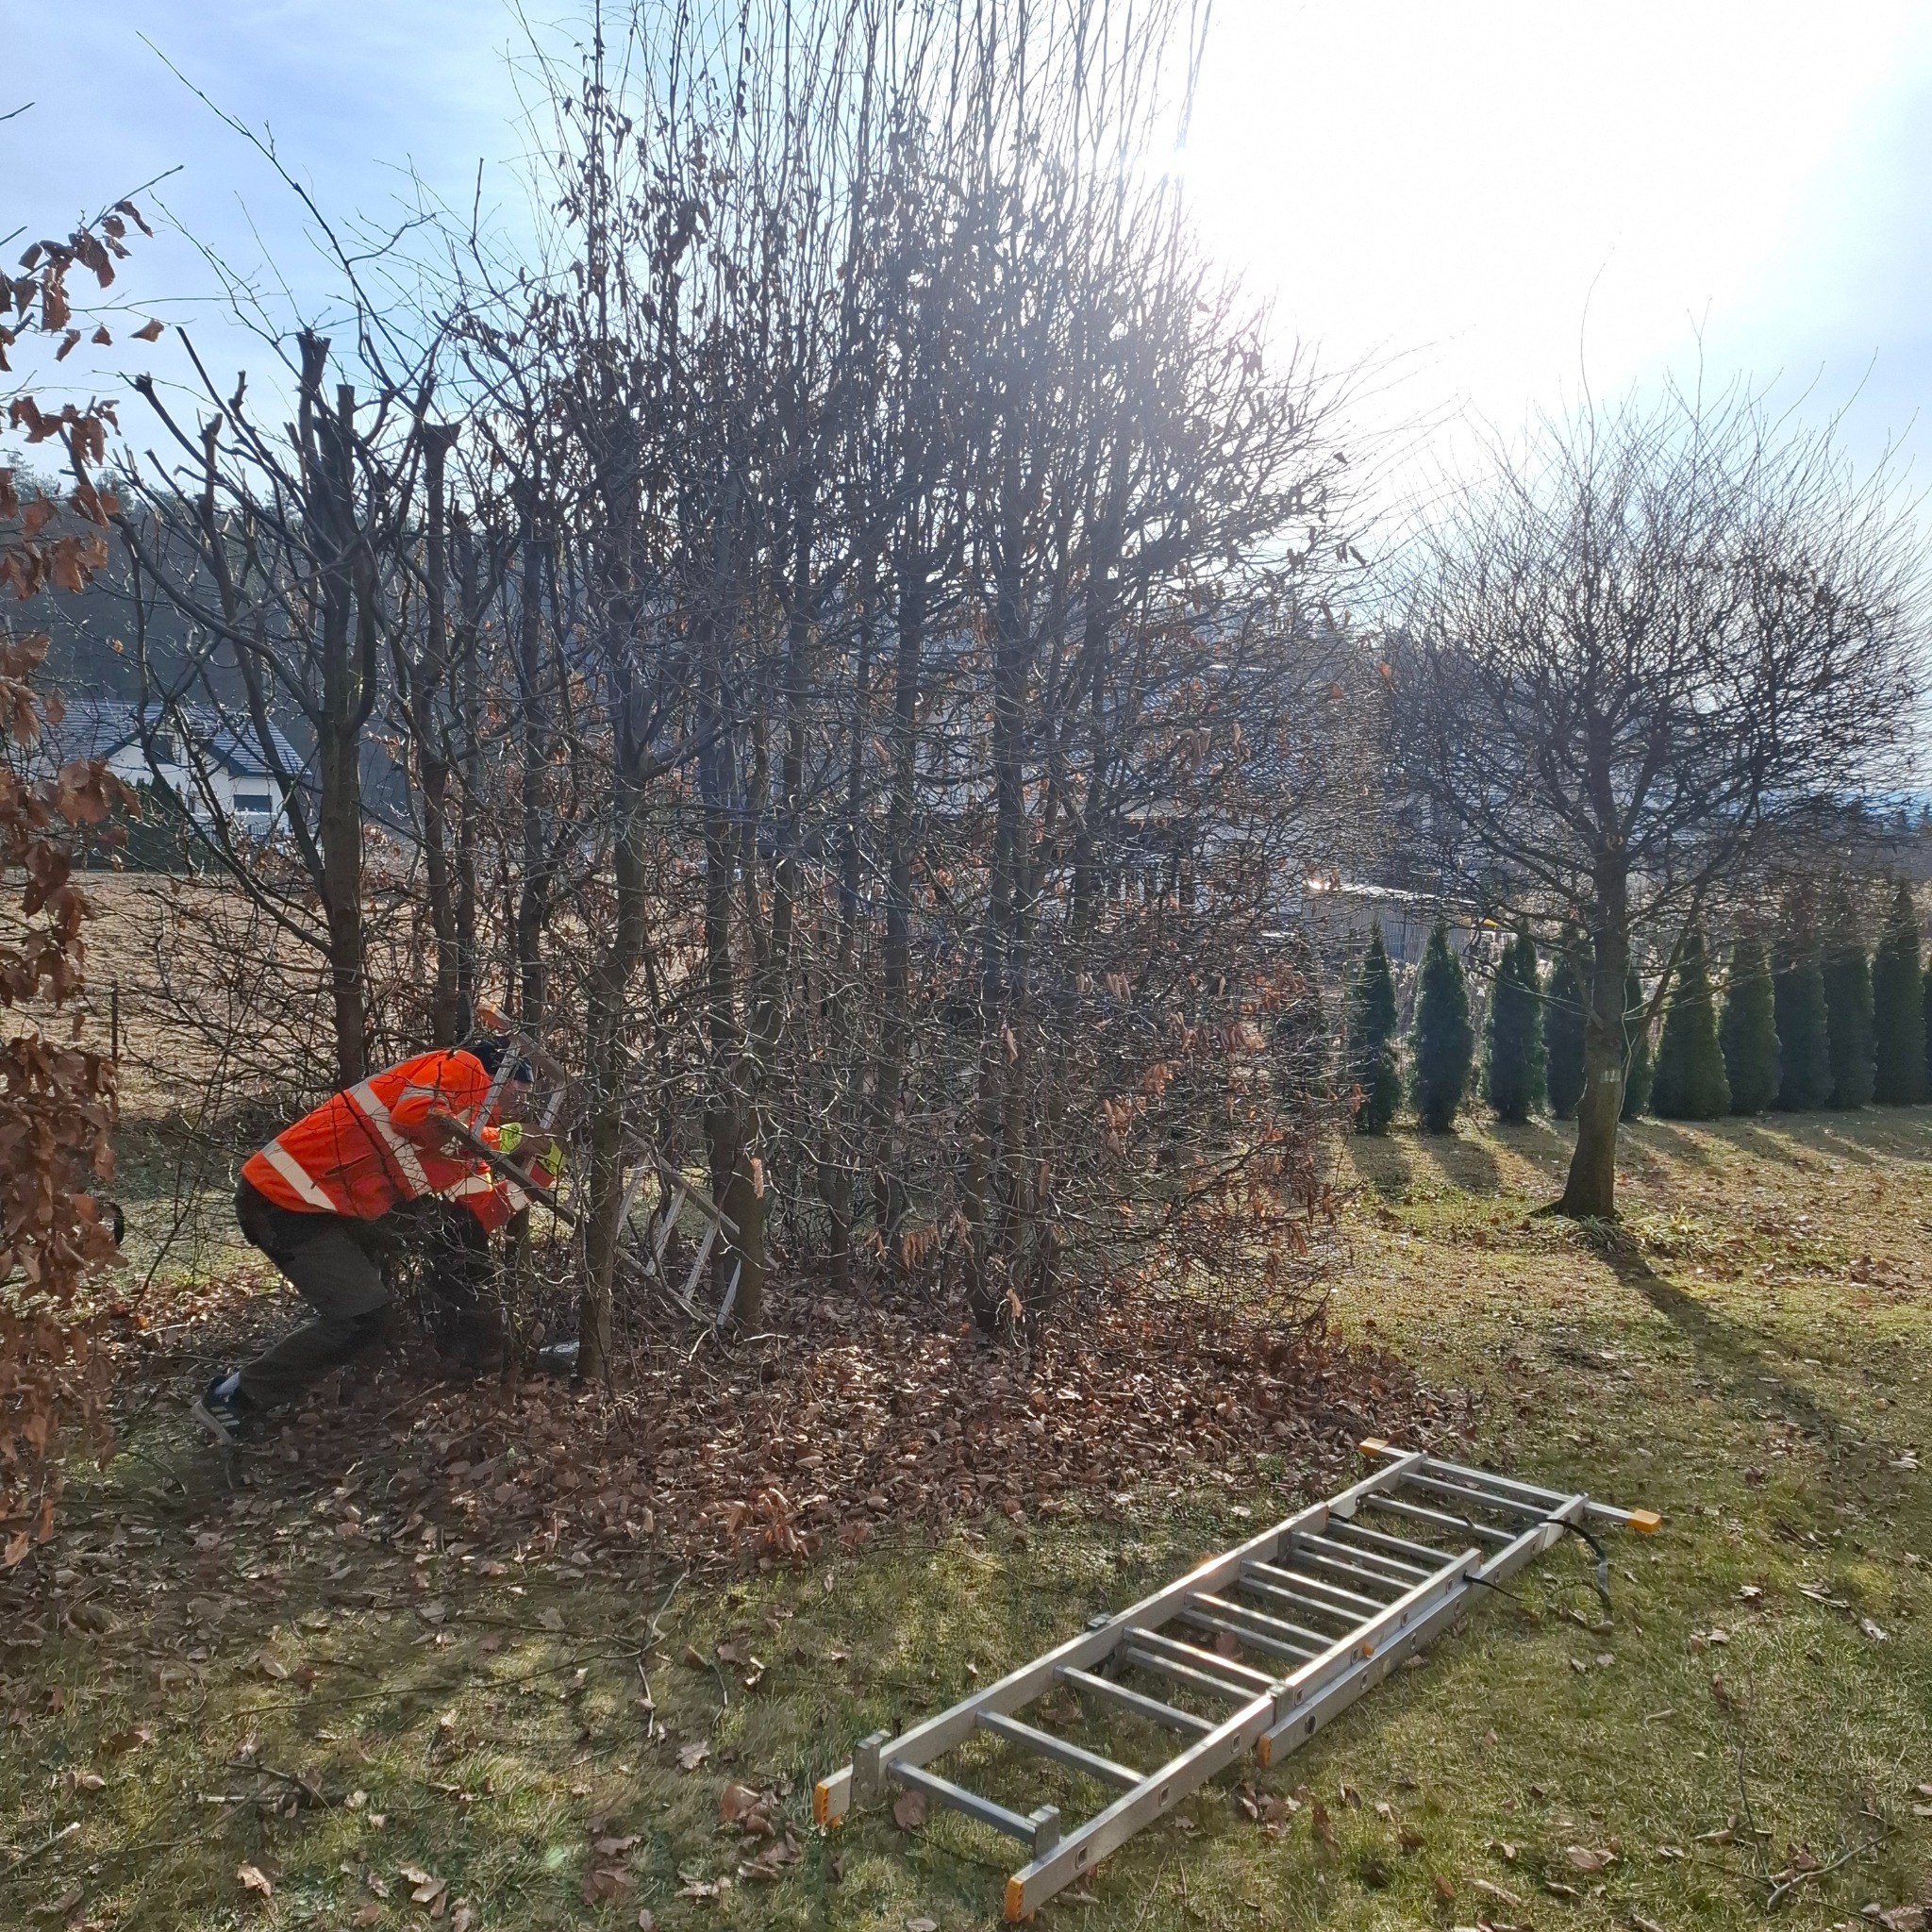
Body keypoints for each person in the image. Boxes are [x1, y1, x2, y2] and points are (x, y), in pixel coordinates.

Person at [193, 1034, 561, 1442]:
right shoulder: (463, 1068)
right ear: (498, 1077)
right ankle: (233, 1399)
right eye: (516, 1095)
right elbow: (416, 1115)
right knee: (361, 1317)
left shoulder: (468, 1140)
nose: (517, 1108)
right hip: (284, 1199)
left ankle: (475, 1352)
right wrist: (508, 1138)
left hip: (317, 1206)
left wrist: (542, 1172)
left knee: (399, 1289)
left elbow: (478, 1217)